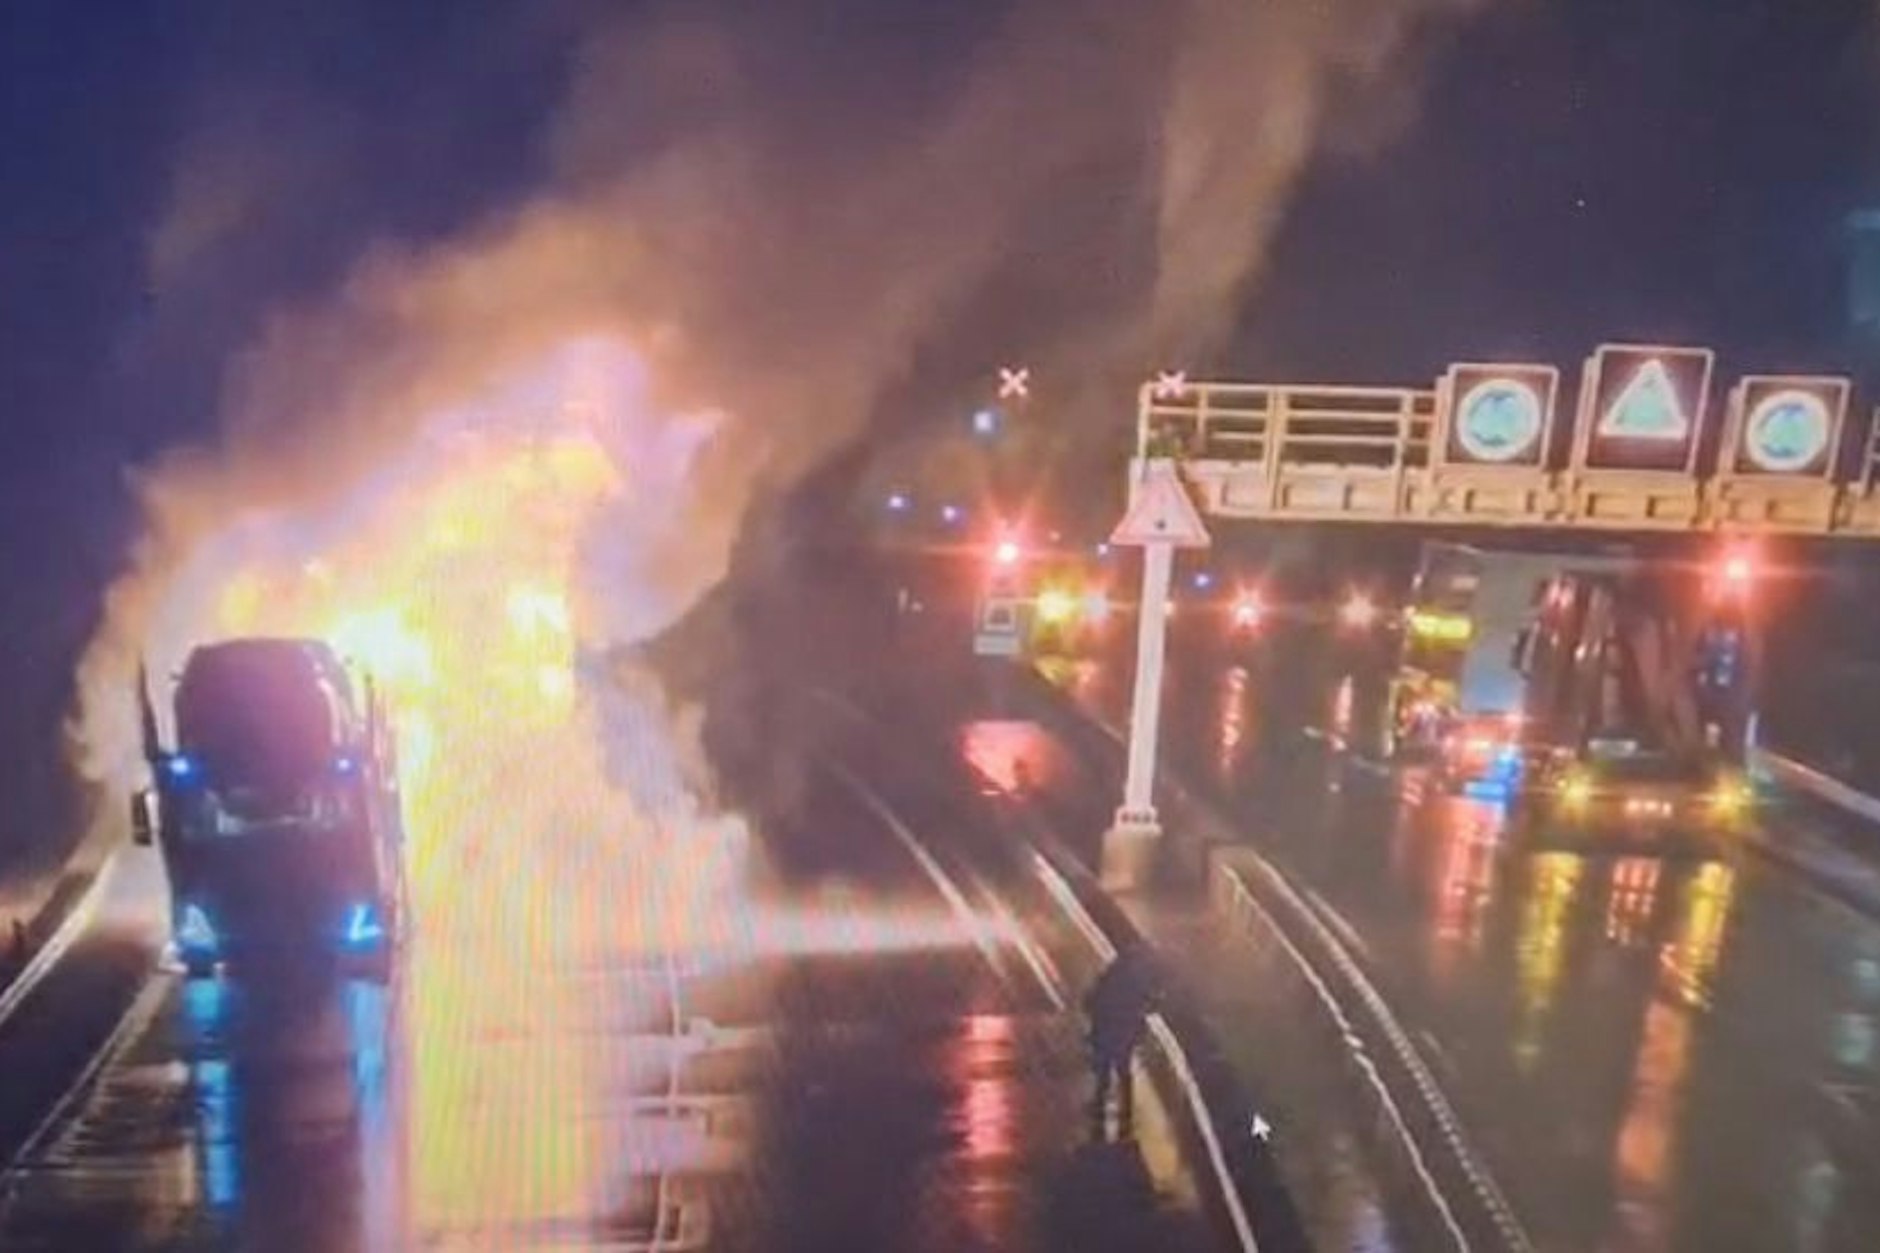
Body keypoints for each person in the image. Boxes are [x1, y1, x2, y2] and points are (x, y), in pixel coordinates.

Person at [1083, 943, 1160, 1137]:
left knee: (1105, 1071)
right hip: (1122, 1032)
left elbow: (1090, 1000)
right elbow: (1147, 1002)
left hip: (1107, 1030)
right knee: (1122, 1070)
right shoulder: (1134, 981)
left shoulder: (1110, 977)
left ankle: (1101, 1107)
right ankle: (1125, 1109)